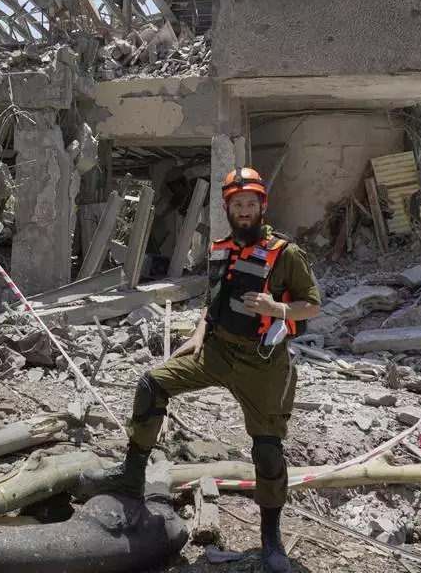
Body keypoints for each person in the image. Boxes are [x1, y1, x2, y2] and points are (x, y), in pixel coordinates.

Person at [80, 167, 322, 572]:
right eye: (236, 204)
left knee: (267, 450)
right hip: (216, 351)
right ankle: (131, 475)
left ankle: (271, 537)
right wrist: (198, 333)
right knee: (152, 384)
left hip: (262, 363)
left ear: (262, 206)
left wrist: (277, 308)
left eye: (250, 204)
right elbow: (214, 301)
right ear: (227, 207)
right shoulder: (221, 248)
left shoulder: (286, 253)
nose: (243, 211)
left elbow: (311, 305)